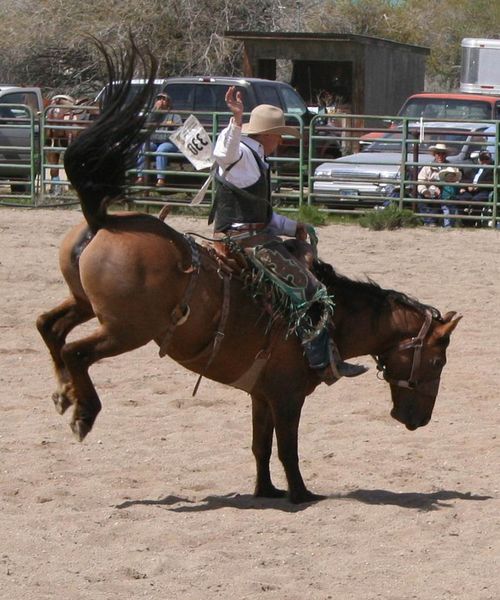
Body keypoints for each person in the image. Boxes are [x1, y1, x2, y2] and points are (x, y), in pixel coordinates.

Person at [211, 86, 367, 385]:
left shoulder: (252, 157)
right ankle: (322, 361)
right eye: (279, 134)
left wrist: (293, 226)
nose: (281, 141)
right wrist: (235, 118)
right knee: (311, 290)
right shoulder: (241, 154)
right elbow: (222, 153)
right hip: (244, 240)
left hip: (249, 234)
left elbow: (261, 213)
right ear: (267, 135)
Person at [136, 93, 182, 186]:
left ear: (168, 102)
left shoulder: (175, 116)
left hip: (168, 143)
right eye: (159, 99)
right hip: (154, 141)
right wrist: (155, 110)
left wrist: (172, 126)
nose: (161, 101)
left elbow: (180, 131)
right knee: (144, 147)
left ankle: (160, 179)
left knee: (161, 149)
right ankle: (140, 176)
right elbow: (147, 122)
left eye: (163, 99)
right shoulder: (153, 114)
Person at [417, 143, 455, 226]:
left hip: (446, 193)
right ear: (434, 155)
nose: (440, 156)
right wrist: (425, 191)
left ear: (446, 155)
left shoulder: (451, 167)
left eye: (443, 153)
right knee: (424, 198)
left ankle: (434, 222)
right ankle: (430, 221)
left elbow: (455, 181)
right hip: (431, 193)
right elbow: (421, 181)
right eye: (438, 153)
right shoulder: (427, 167)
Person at [457, 150, 494, 226]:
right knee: (461, 199)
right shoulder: (475, 168)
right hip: (470, 190)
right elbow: (466, 178)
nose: (484, 161)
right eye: (482, 159)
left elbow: (491, 181)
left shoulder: (492, 169)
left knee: (476, 200)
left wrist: (478, 186)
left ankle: (472, 222)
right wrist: (466, 186)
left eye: (486, 159)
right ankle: (465, 221)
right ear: (479, 159)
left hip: (484, 190)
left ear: (490, 159)